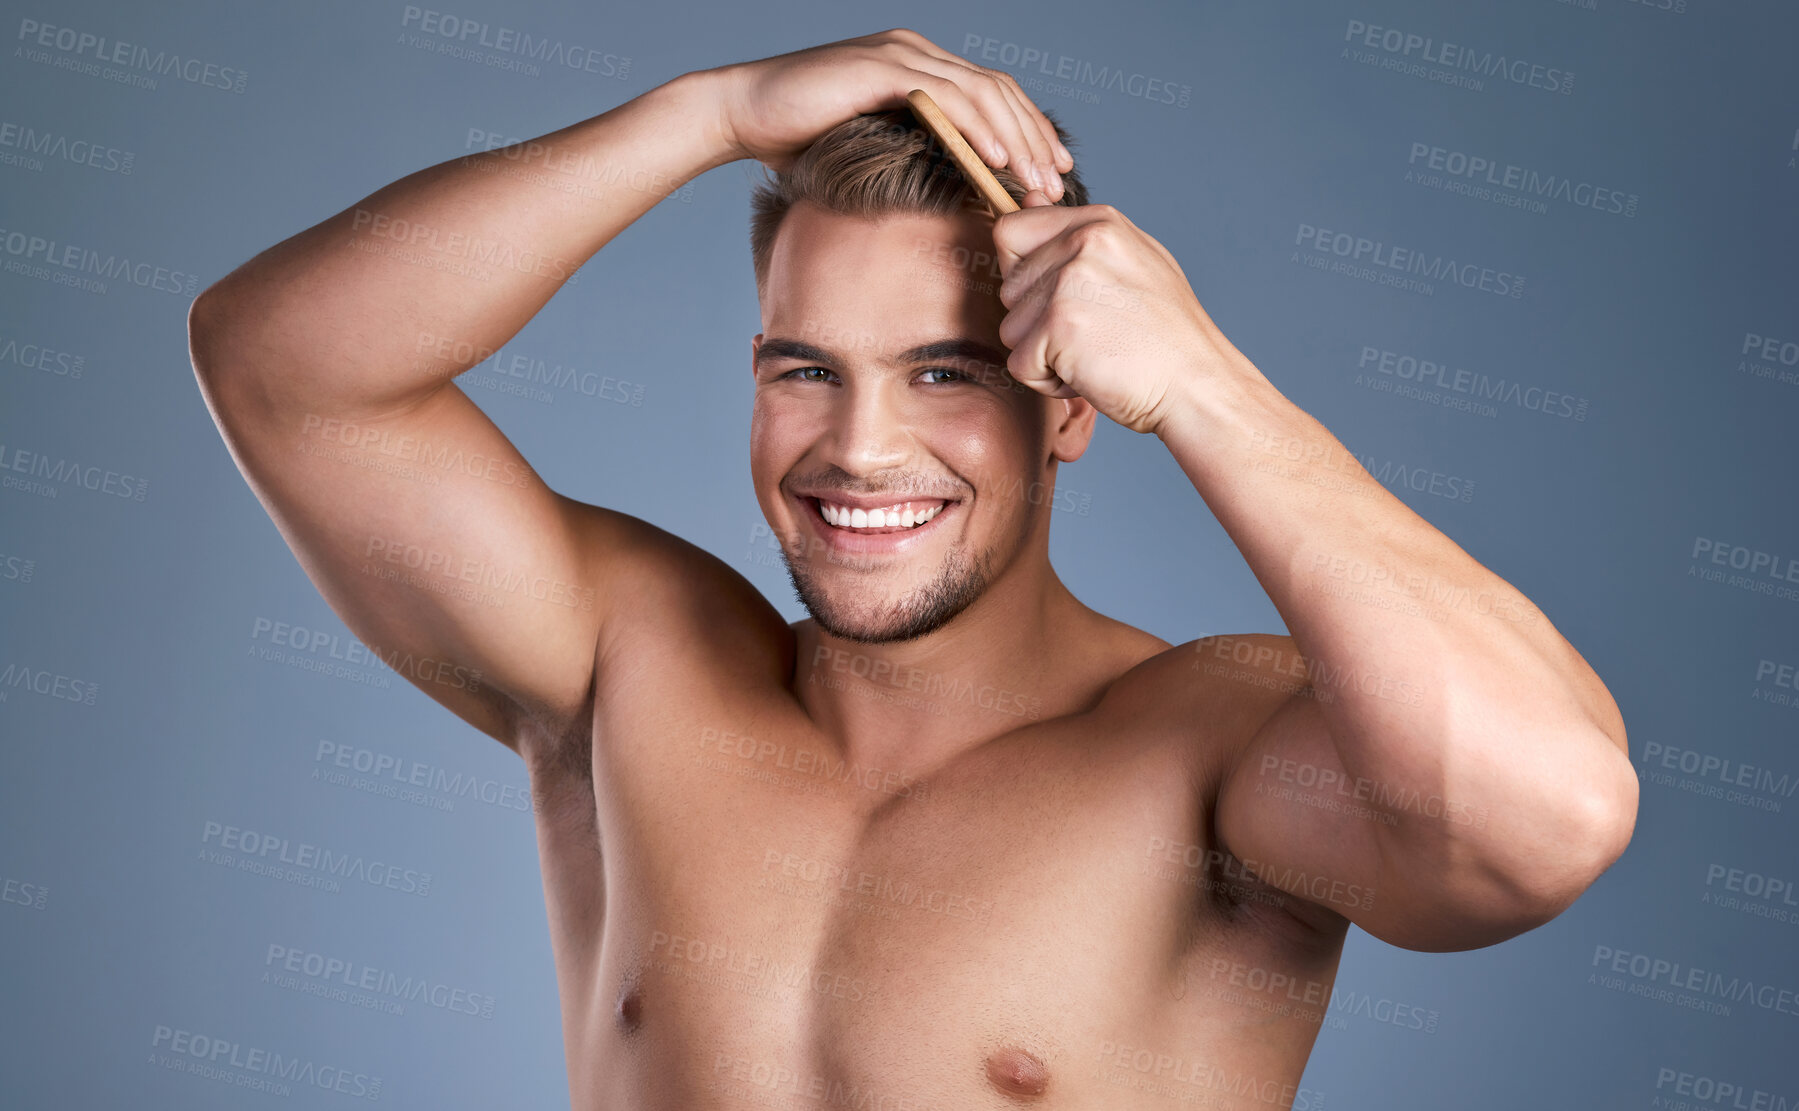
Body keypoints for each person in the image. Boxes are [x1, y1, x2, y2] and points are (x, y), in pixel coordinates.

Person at [188, 27, 1636, 1110]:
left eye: (945, 373)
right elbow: (285, 367)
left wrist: (1210, 386)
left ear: (1067, 401)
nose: (859, 450)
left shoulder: (1212, 748)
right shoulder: (630, 665)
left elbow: (1544, 819)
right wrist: (712, 113)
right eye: (806, 370)